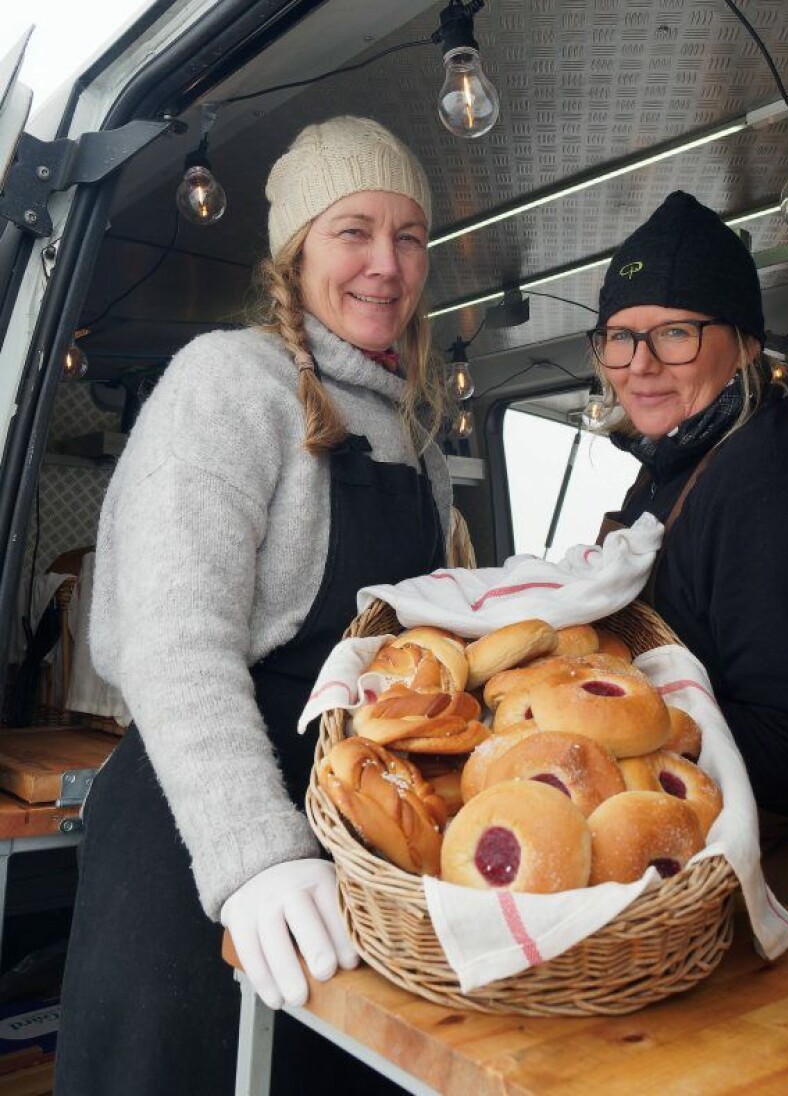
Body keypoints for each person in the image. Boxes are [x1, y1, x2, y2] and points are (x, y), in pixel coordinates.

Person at [55, 116, 450, 1094]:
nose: (386, 265)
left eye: (409, 237)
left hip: (343, 847)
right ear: (297, 248)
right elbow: (174, 645)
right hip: (203, 842)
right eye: (354, 230)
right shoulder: (228, 383)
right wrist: (254, 858)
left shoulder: (421, 435)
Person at [592, 191, 788, 916]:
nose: (640, 365)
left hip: (753, 904)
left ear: (747, 343)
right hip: (672, 883)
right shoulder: (670, 470)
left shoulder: (776, 487)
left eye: (676, 334)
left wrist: (602, 737)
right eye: (621, 337)